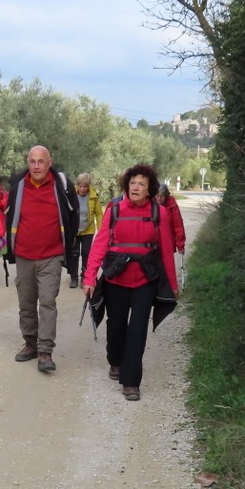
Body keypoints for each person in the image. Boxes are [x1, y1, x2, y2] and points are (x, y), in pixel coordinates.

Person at [83, 164, 179, 401]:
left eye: (142, 184)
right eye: (133, 183)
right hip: (117, 277)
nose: (136, 187)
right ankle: (115, 361)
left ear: (150, 190)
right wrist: (89, 277)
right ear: (127, 185)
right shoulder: (114, 209)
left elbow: (166, 251)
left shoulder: (160, 214)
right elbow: (100, 243)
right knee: (116, 326)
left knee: (138, 329)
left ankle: (131, 381)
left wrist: (173, 285)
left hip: (145, 280)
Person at [4, 145, 79, 373]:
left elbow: (74, 217)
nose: (36, 166)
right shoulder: (18, 185)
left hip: (51, 256)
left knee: (47, 301)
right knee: (26, 304)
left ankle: (45, 350)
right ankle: (30, 344)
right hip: (24, 255)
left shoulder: (61, 186)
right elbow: (8, 216)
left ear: (49, 162)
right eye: (32, 161)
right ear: (28, 163)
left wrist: (68, 247)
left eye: (41, 161)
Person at [73, 172, 104, 288]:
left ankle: (84, 276)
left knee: (86, 253)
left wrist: (101, 230)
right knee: (74, 254)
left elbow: (99, 214)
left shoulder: (94, 196)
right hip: (74, 230)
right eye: (80, 186)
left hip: (88, 229)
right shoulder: (72, 194)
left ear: (88, 186)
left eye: (85, 186)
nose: (82, 189)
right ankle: (73, 277)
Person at [155, 184, 186, 255]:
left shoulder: (172, 206)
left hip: (167, 243)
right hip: (152, 246)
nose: (159, 198)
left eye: (162, 196)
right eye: (157, 196)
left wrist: (180, 246)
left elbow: (178, 226)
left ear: (166, 196)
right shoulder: (151, 205)